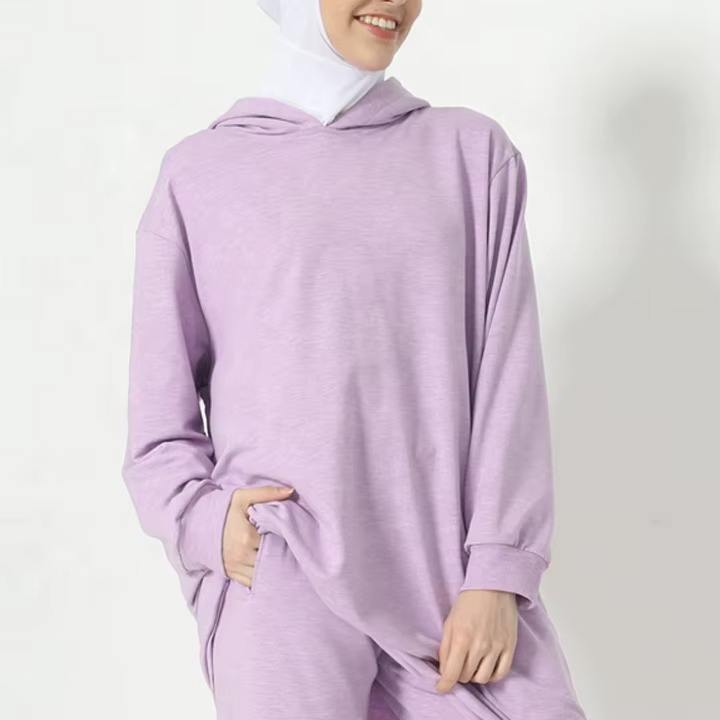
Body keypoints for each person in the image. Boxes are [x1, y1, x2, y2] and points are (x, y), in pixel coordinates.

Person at [121, 1, 587, 718]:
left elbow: (508, 379)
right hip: (280, 572)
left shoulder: (469, 153)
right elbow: (158, 421)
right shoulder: (200, 174)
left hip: (447, 576)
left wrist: (499, 571)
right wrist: (207, 523)